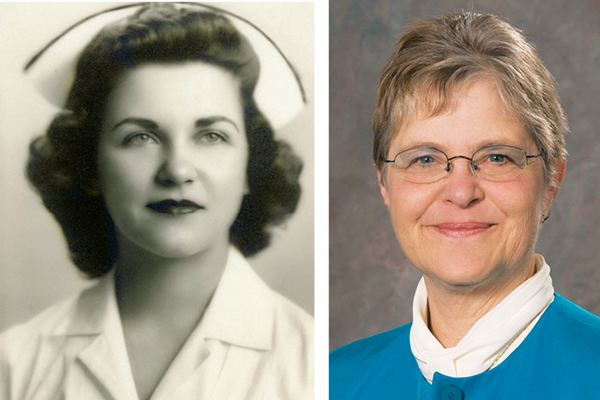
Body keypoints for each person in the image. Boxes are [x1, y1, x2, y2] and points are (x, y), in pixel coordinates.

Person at [0, 3, 313, 400]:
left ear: (250, 164)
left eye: (212, 136)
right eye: (140, 137)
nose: (178, 170)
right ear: (91, 164)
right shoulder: (16, 366)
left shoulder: (314, 366)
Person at [330, 12, 600, 399]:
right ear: (384, 183)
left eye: (496, 158)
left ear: (552, 180)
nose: (460, 192)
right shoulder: (331, 382)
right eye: (424, 159)